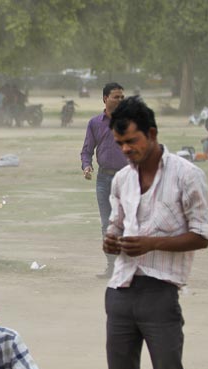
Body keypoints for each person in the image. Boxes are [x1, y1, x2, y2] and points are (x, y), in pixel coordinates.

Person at [74, 97, 208, 369]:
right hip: (121, 292)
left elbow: (201, 235)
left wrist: (151, 243)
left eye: (132, 142)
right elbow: (114, 230)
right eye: (121, 143)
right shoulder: (122, 180)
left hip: (161, 294)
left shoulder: (187, 175)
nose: (127, 150)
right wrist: (111, 242)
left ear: (152, 134)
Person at [80, 82, 128, 278]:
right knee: (106, 224)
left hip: (126, 179)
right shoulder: (95, 123)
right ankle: (111, 266)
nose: (119, 100)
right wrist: (86, 166)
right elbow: (87, 150)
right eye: (116, 97)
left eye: (122, 97)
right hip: (104, 179)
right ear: (105, 99)